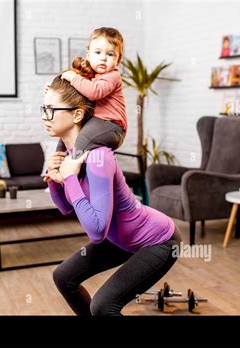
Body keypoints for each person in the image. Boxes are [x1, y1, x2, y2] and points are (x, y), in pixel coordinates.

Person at [41, 68, 183, 316]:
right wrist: (54, 179)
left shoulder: (98, 157)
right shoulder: (73, 155)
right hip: (122, 240)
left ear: (76, 114)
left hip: (159, 240)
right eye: (44, 109)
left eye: (51, 110)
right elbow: (65, 208)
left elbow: (97, 231)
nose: (45, 116)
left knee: (104, 306)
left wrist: (71, 178)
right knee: (64, 277)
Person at [48, 27, 127, 161]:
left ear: (118, 60)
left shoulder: (113, 76)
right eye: (98, 52)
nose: (103, 58)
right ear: (88, 55)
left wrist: (73, 78)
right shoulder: (91, 76)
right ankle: (58, 165)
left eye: (110, 54)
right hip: (97, 122)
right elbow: (76, 93)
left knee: (83, 139)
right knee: (66, 136)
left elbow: (94, 92)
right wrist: (51, 90)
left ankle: (74, 170)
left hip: (112, 126)